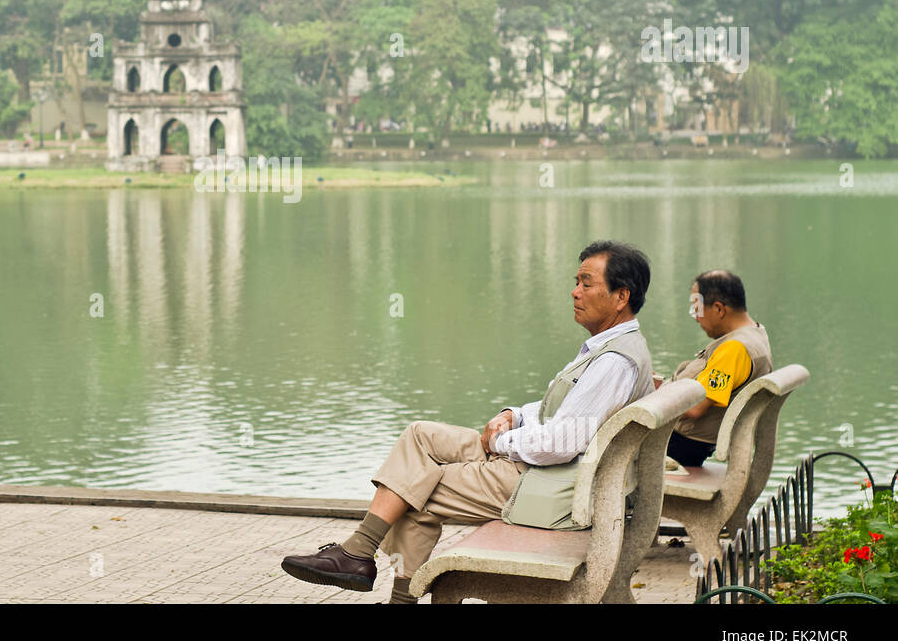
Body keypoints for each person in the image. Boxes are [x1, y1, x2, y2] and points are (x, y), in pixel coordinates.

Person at [280, 240, 654, 604]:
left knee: (413, 492)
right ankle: (358, 554)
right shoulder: (610, 347)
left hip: (547, 485)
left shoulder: (613, 362)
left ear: (621, 296)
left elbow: (559, 444)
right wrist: (515, 415)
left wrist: (500, 443)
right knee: (420, 436)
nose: (575, 292)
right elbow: (563, 409)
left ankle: (366, 561)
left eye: (586, 283)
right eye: (576, 282)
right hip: (542, 469)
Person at [656, 270, 772, 467]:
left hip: (679, 445)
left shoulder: (734, 349)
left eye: (697, 310)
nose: (696, 318)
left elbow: (693, 408)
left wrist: (652, 398)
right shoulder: (756, 334)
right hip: (687, 442)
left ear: (718, 309)